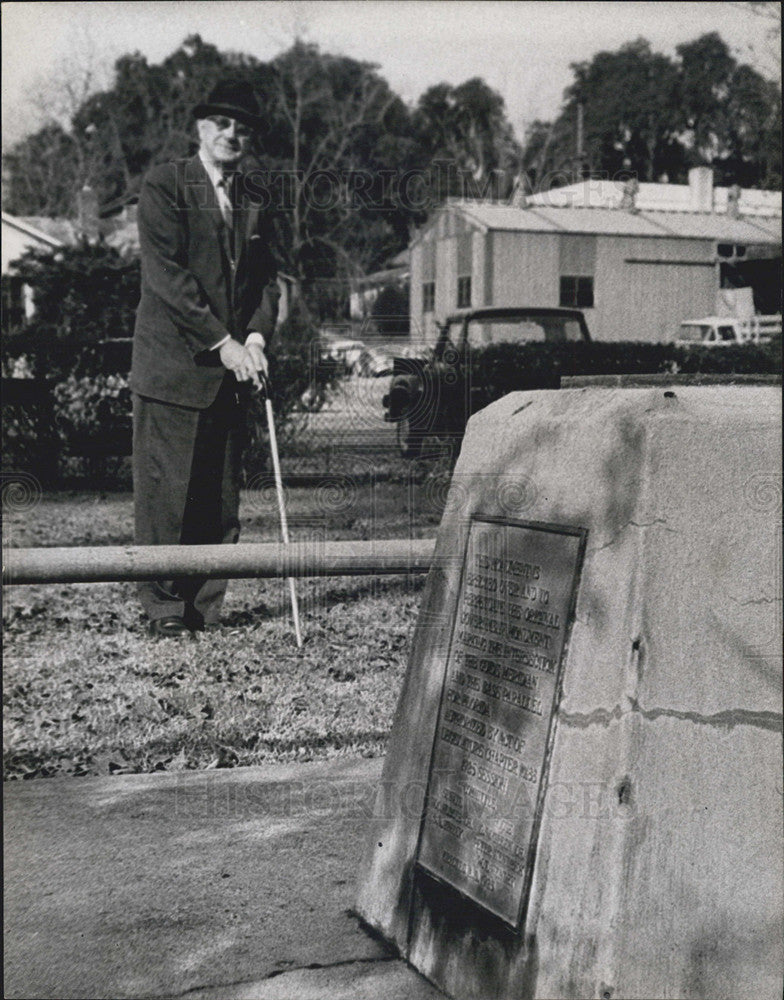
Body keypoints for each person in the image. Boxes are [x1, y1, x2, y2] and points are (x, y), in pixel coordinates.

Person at [131, 79, 280, 637]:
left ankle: (206, 606)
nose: (232, 134)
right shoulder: (166, 185)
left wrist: (258, 340)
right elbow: (170, 281)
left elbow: (268, 281)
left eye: (242, 127)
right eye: (222, 123)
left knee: (219, 502)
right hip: (173, 372)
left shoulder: (256, 199)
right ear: (200, 129)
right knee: (167, 497)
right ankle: (166, 609)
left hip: (234, 373)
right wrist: (226, 344)